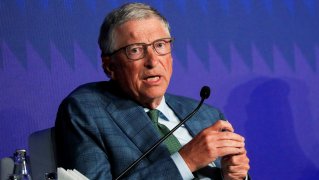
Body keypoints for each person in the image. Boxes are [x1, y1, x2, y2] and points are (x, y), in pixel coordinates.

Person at [55, 2, 250, 180]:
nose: (152, 61)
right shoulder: (86, 110)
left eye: (160, 45)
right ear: (110, 66)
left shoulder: (206, 114)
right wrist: (186, 160)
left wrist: (234, 176)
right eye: (135, 50)